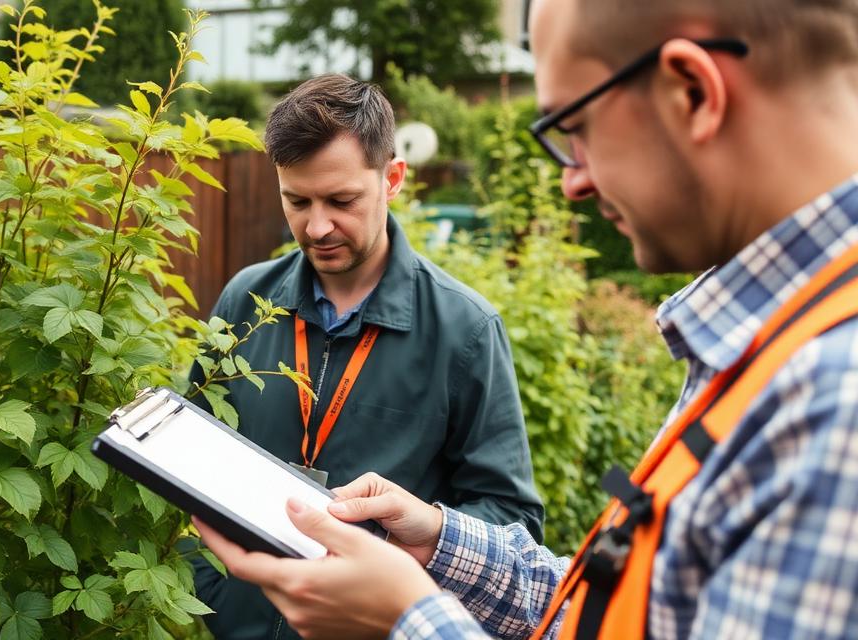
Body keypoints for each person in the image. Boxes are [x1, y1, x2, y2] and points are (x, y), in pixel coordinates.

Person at [195, 0, 858, 637]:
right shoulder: (770, 352)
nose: (572, 179)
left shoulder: (835, 403)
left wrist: (405, 619)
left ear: (693, 92)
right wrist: (437, 537)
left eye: (575, 128)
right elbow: (641, 610)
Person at [189, 74, 545, 639]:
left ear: (393, 178)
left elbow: (512, 520)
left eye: (342, 200)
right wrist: (214, 598)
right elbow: (196, 459)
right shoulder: (244, 301)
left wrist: (399, 580)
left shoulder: (467, 330)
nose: (317, 225)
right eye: (296, 201)